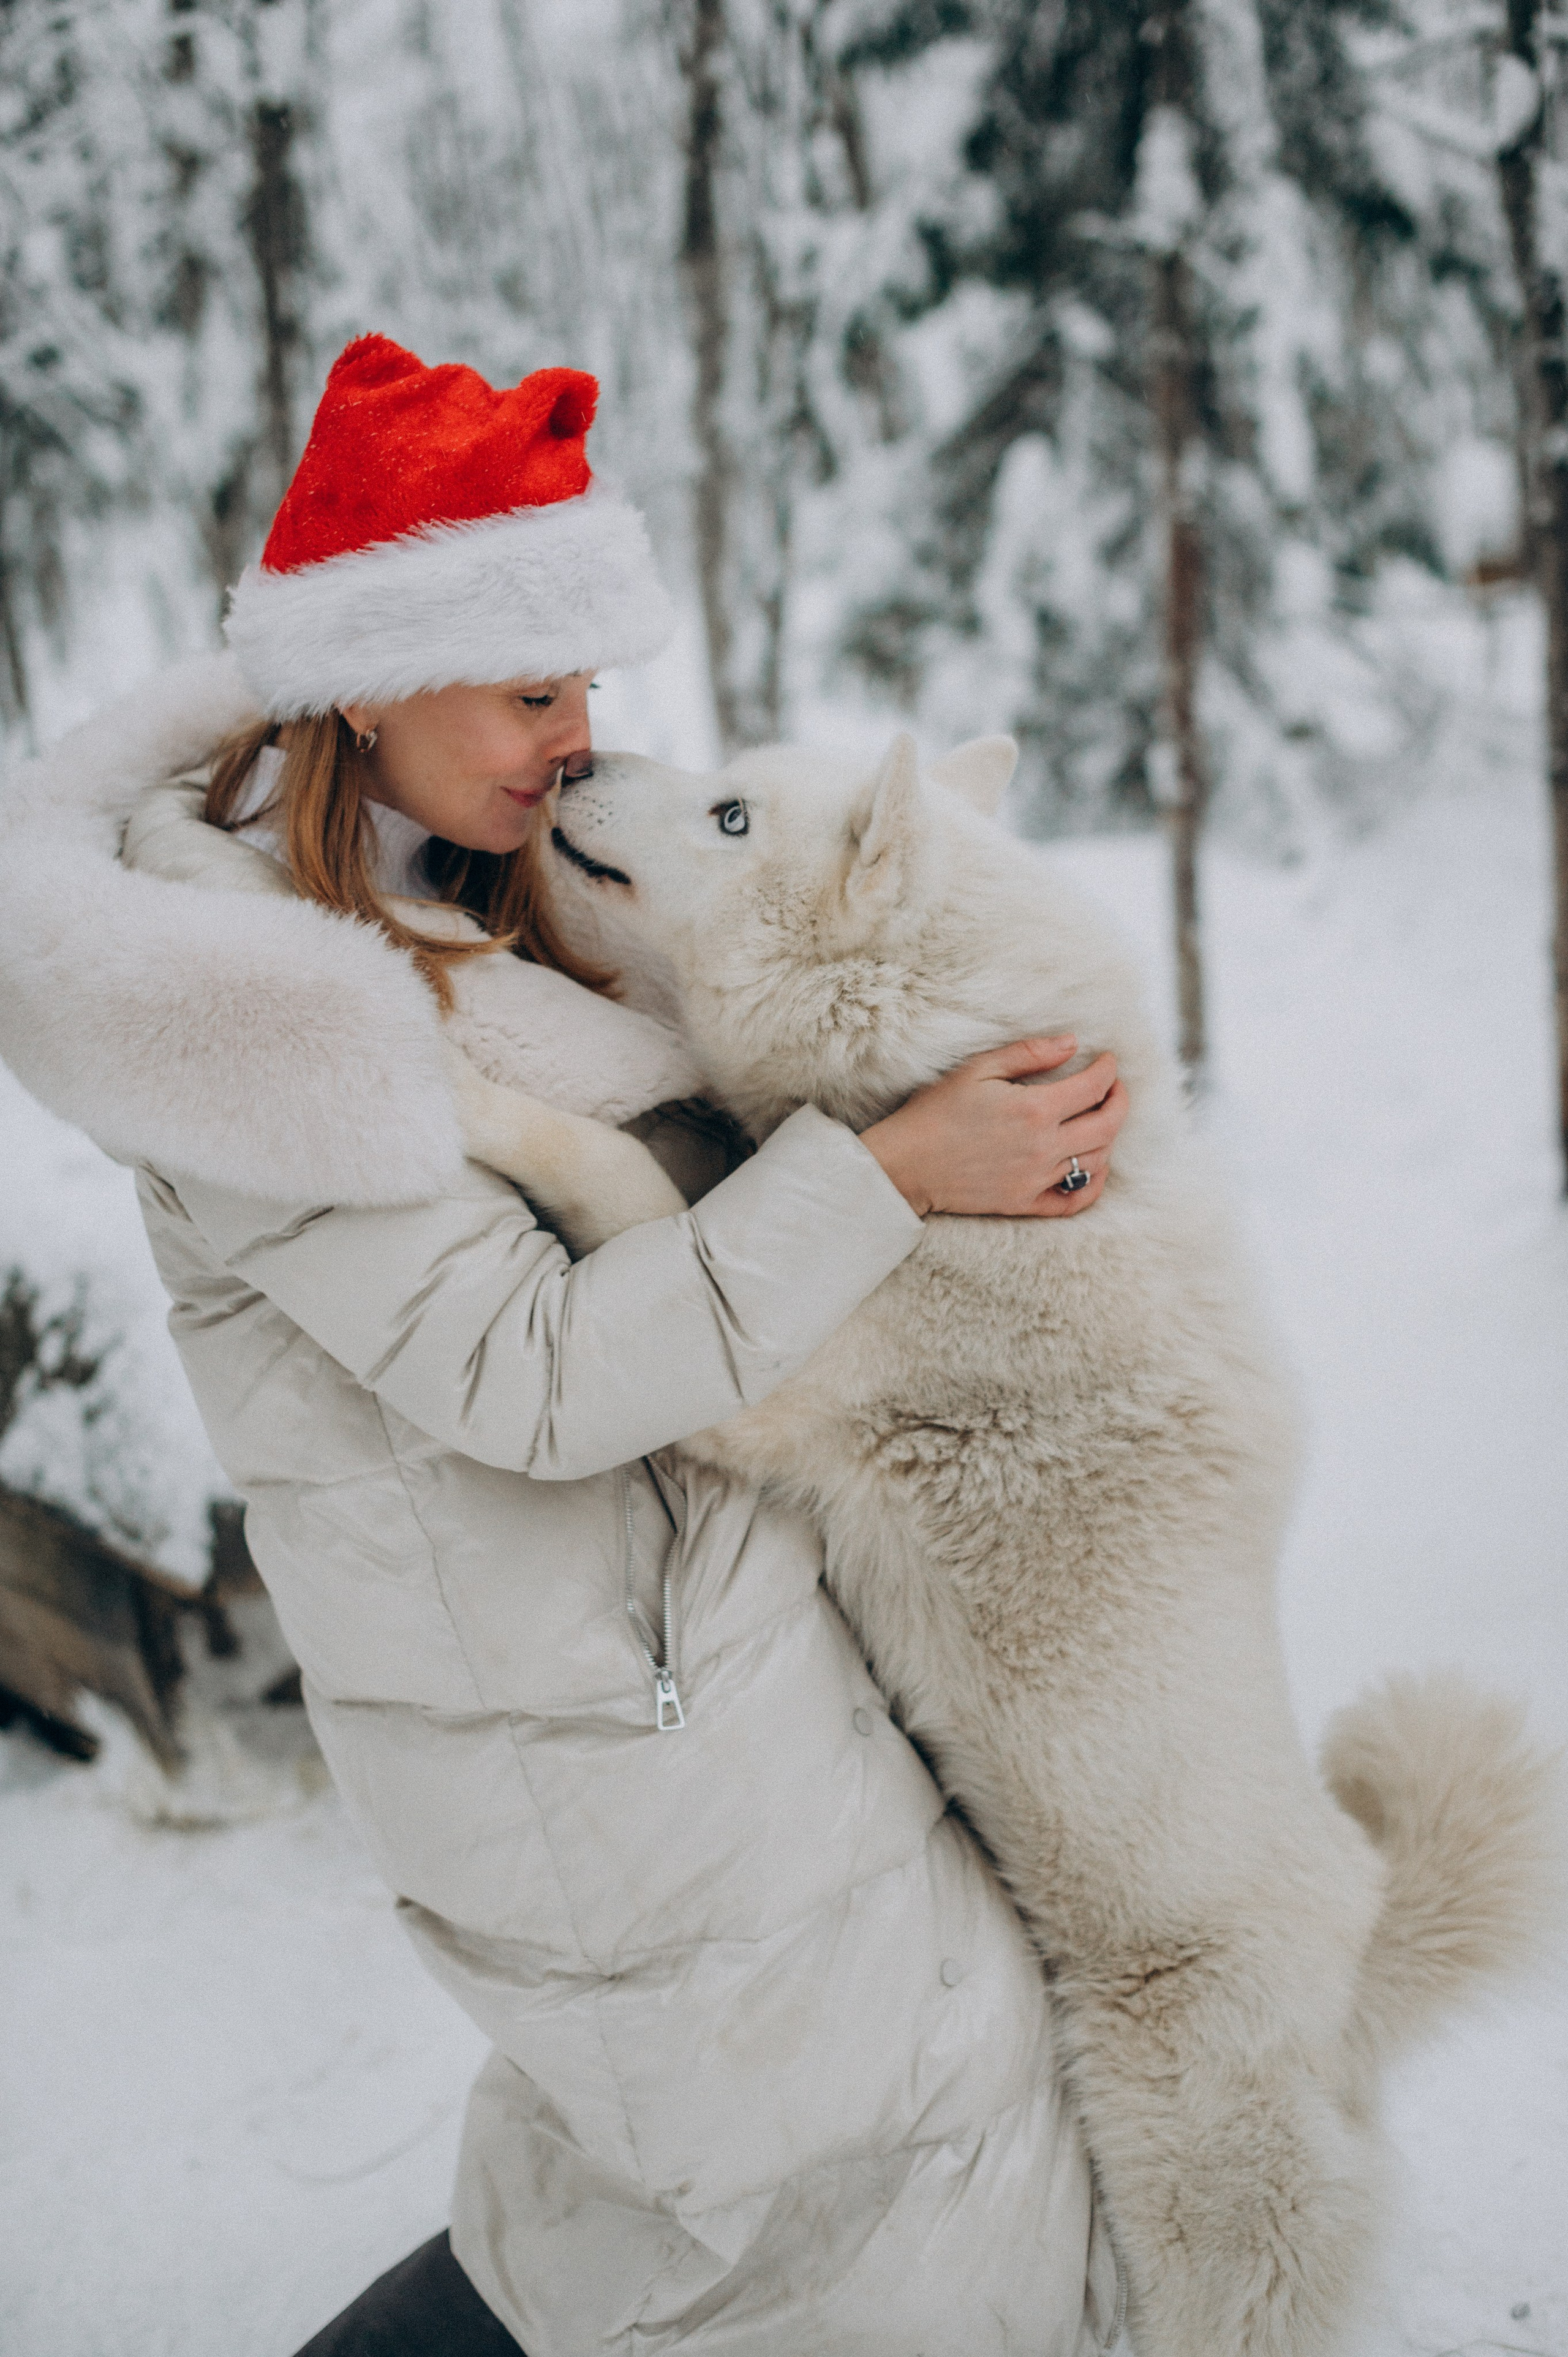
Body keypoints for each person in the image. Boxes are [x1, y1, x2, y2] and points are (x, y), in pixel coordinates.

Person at [0, 337, 1129, 2355]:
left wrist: (963, 1080)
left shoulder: (438, 876)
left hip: (675, 1674)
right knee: (819, 2197)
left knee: (811, 2164)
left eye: (586, 686)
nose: (576, 735)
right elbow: (531, 1378)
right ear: (367, 676)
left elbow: (725, 1039)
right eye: (535, 691)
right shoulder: (241, 1008)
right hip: (585, 1731)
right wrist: (888, 1176)